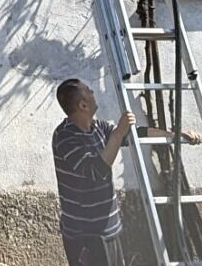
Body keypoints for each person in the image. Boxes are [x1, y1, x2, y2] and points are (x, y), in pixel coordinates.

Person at [51, 78, 132, 266]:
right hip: (84, 236)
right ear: (83, 104)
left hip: (109, 231)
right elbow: (96, 171)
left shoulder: (99, 128)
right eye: (89, 91)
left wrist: (176, 135)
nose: (93, 93)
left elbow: (135, 135)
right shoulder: (64, 136)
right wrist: (119, 133)